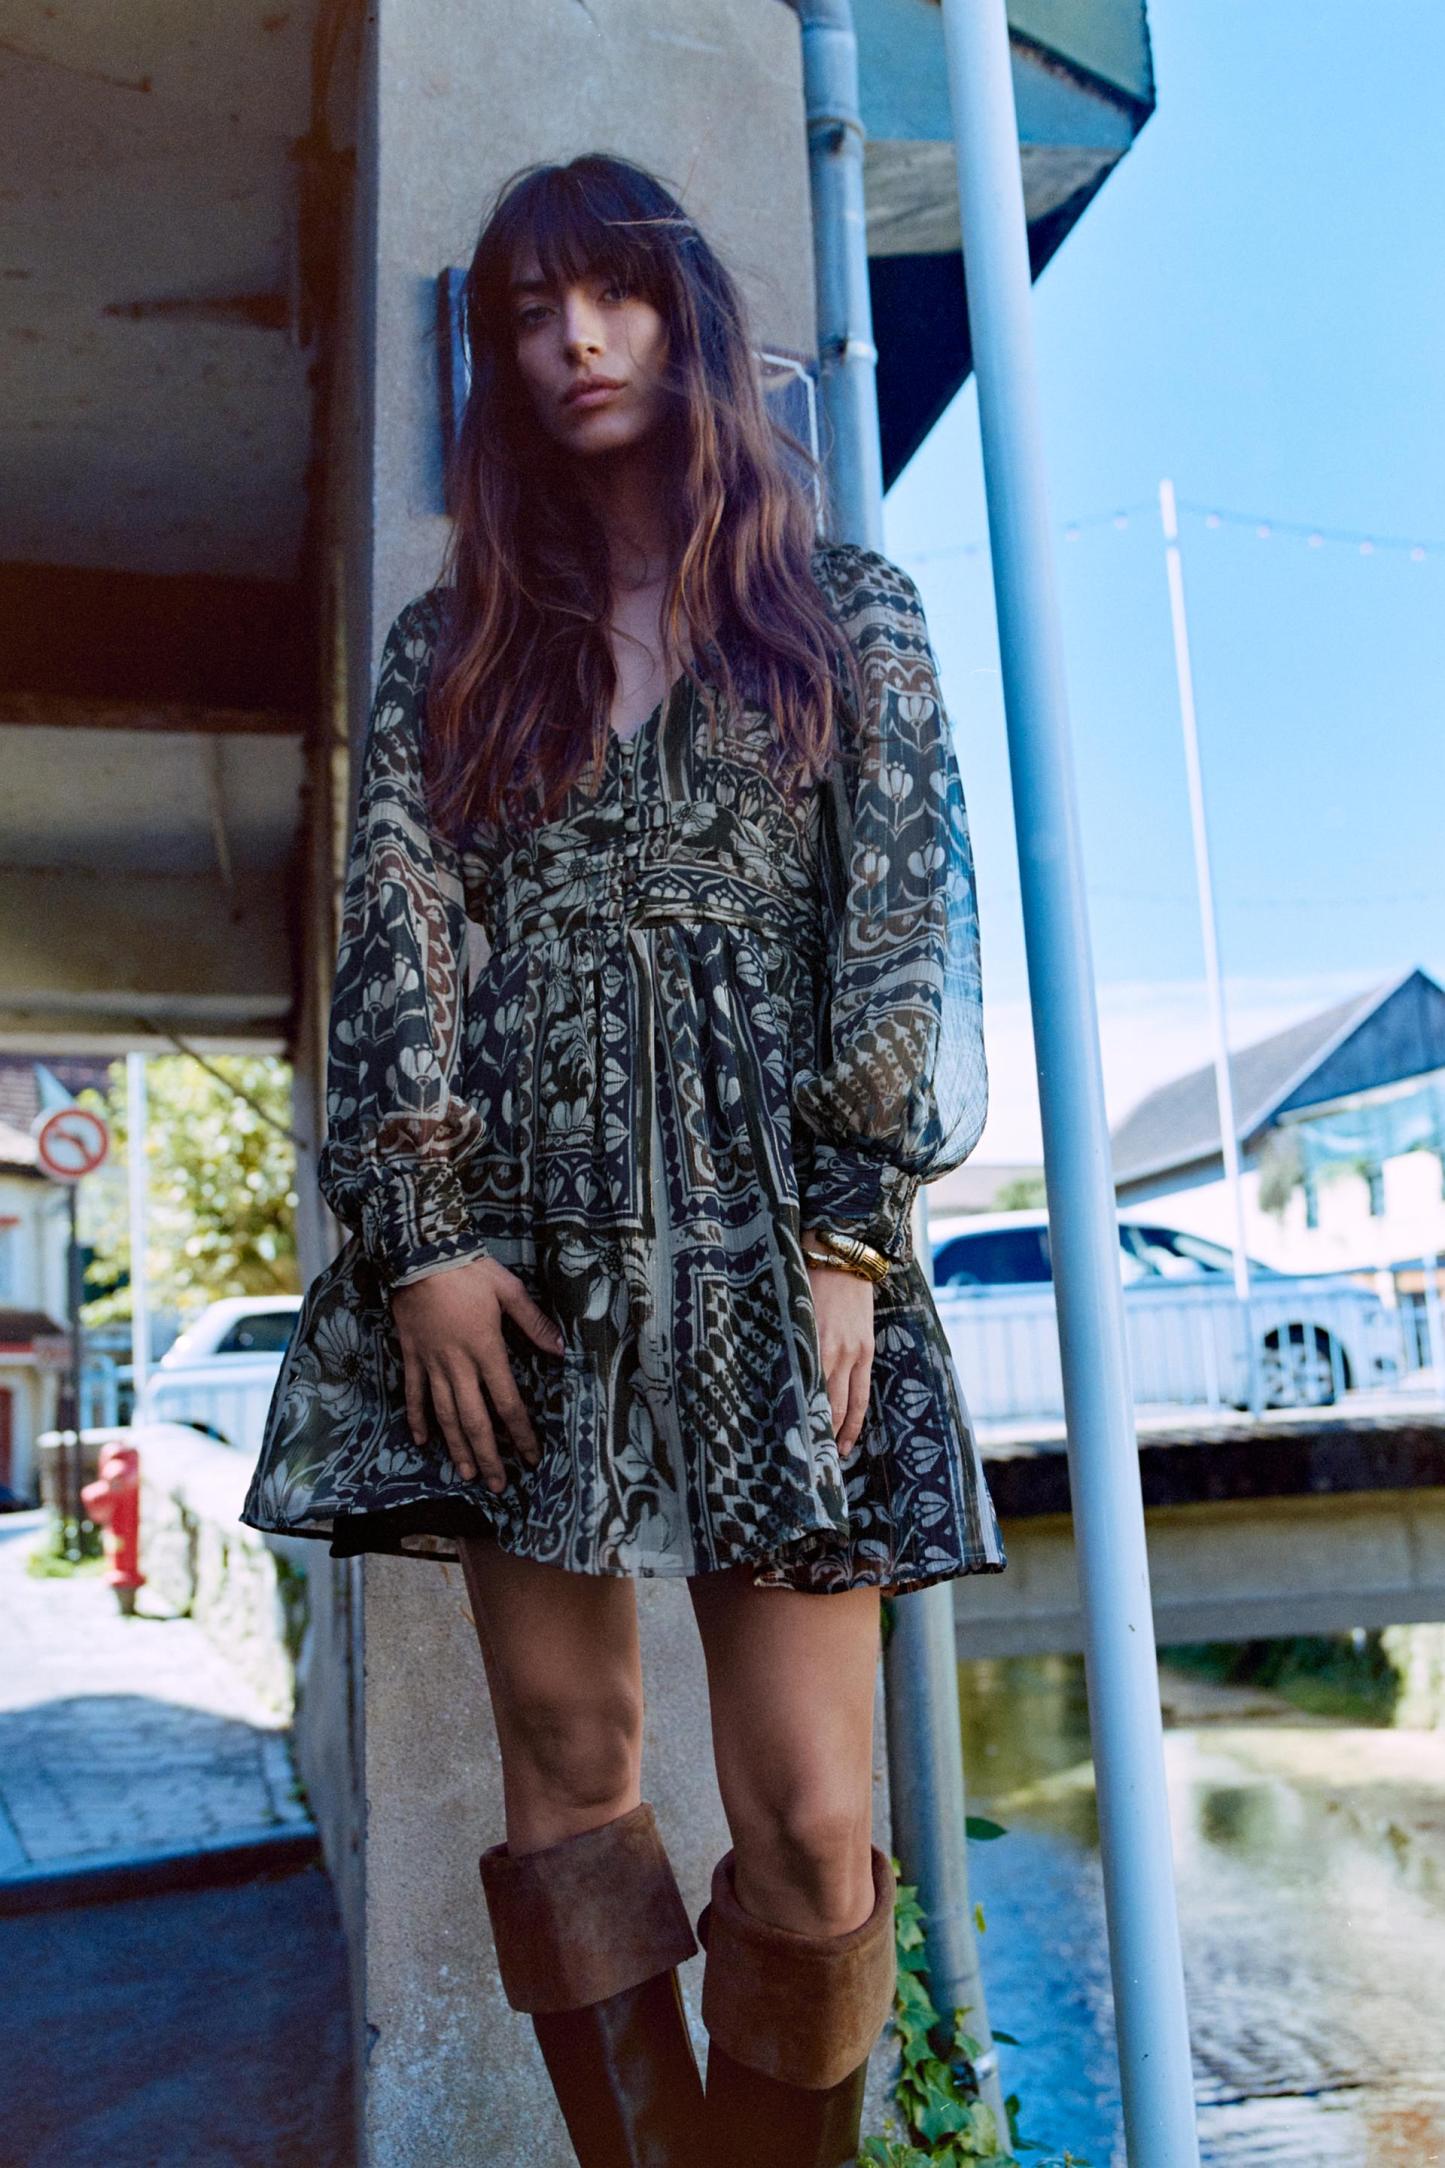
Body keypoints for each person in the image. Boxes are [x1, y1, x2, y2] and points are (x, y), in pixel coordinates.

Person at [241, 152, 1006, 2168]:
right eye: (526, 313)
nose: (573, 341)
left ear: (688, 320)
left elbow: (902, 934)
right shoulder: (457, 640)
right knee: (572, 1760)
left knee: (812, 1823)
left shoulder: (844, 610)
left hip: (776, 1239)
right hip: (522, 1248)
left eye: (614, 297)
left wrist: (850, 1235)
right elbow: (399, 931)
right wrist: (420, 1239)